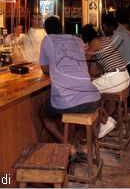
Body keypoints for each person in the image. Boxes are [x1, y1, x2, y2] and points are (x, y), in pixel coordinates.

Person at [39, 17, 101, 152]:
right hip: (93, 99)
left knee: (43, 113)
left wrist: (56, 67)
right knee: (76, 111)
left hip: (68, 101)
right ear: (61, 28)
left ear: (46, 31)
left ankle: (69, 146)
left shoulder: (47, 40)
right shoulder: (77, 40)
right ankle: (87, 146)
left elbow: (44, 69)